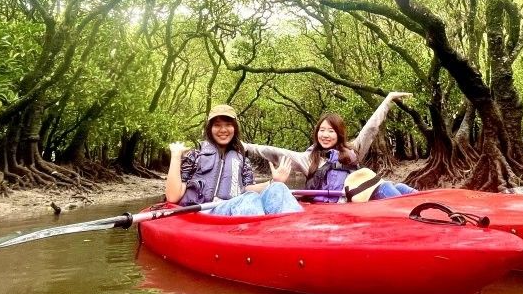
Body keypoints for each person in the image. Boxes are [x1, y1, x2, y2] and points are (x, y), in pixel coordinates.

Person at [243, 92, 417, 202]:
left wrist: (388, 100)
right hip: (336, 205)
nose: (325, 135)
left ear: (339, 134)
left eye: (331, 131)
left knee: (401, 187)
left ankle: (433, 207)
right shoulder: (308, 158)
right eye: (322, 130)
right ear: (317, 133)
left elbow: (371, 128)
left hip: (357, 198)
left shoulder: (353, 150)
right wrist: (245, 146)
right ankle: (415, 220)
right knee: (385, 187)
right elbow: (272, 151)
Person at [166, 104, 302, 216]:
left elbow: (247, 188)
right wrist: (176, 156)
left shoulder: (242, 159)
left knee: (279, 188)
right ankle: (257, 239)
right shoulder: (195, 155)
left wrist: (273, 182)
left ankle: (292, 233)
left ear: (234, 128)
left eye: (228, 124)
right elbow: (173, 197)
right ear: (210, 128)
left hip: (234, 207)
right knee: (249, 199)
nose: (223, 130)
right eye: (217, 125)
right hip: (204, 211)